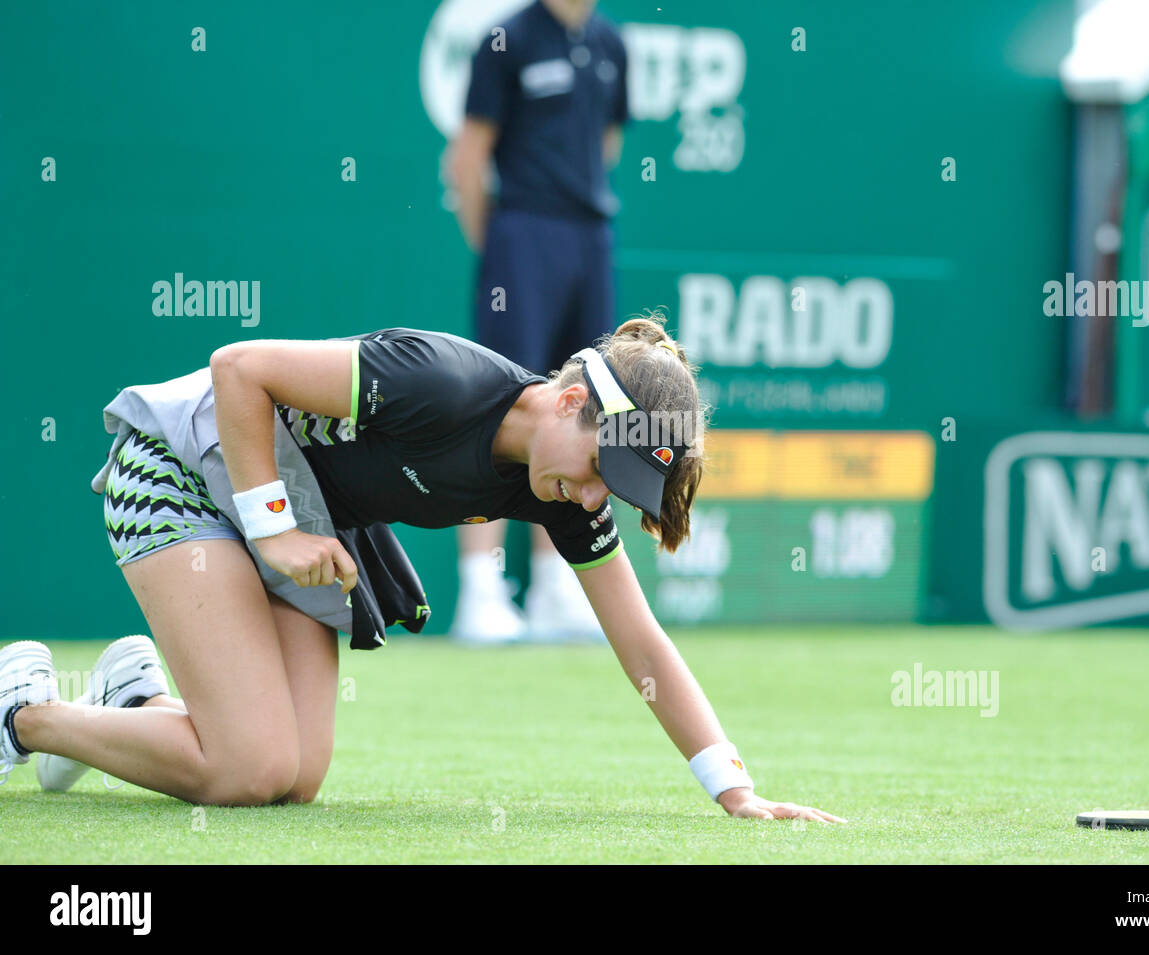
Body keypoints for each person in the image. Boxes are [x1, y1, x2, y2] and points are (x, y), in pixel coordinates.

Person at [0, 317, 846, 823]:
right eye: (600, 468)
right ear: (568, 401)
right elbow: (238, 369)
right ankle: (26, 714)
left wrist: (734, 789)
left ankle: (133, 704)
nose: (595, 496)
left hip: (295, 516)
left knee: (294, 778)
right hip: (182, 465)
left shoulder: (561, 491)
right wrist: (275, 531)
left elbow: (643, 644)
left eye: (614, 490)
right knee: (247, 768)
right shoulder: (440, 380)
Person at [447, 0, 629, 644]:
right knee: (502, 403)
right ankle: (480, 590)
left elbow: (607, 143)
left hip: (589, 236)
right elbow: (467, 158)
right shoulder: (507, 39)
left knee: (585, 403)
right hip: (521, 235)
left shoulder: (611, 44)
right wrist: (500, 246)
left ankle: (557, 585)